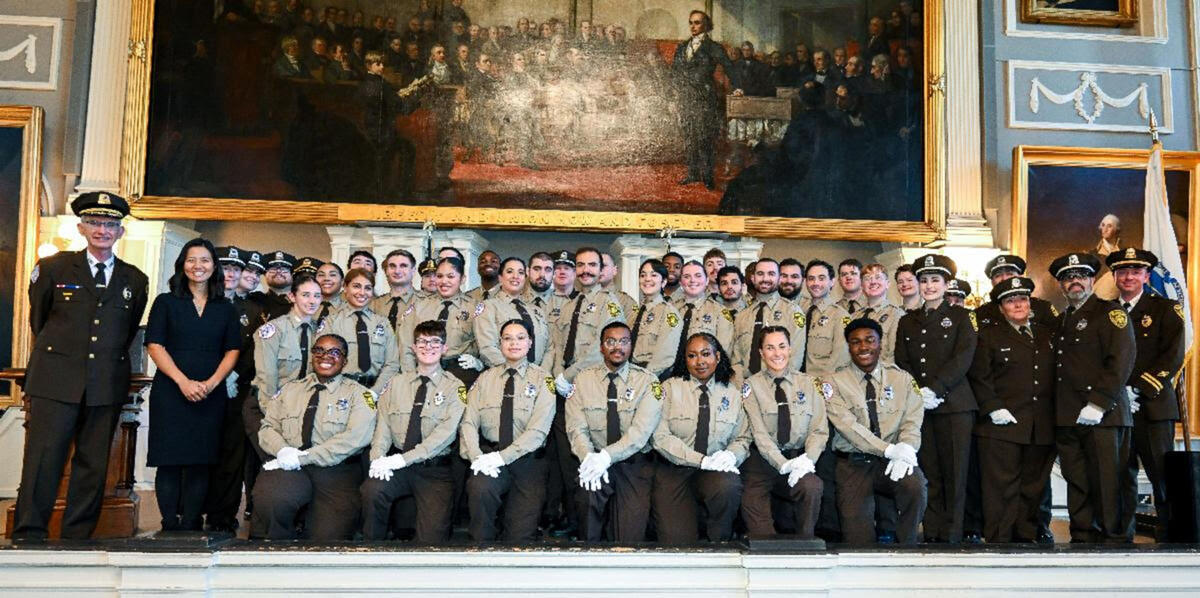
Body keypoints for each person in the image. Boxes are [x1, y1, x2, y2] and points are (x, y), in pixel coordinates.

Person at [13, 192, 149, 541]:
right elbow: (39, 318)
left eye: (109, 224)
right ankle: (29, 533)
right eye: (95, 223)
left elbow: (127, 329)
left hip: (104, 382)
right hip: (55, 380)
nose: (102, 230)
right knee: (43, 460)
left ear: (120, 232)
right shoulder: (55, 267)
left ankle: (77, 536)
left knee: (92, 465)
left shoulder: (134, 279)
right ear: (81, 227)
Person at [144, 238, 241, 531]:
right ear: (182, 265)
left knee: (202, 460)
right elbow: (155, 345)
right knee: (169, 459)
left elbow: (232, 350)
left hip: (211, 394)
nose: (198, 266)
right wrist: (183, 382)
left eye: (205, 260)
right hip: (172, 391)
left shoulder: (225, 307)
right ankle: (168, 523)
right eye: (191, 260)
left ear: (214, 267)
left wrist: (211, 384)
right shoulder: (166, 301)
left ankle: (191, 523)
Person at [252, 333, 378, 541]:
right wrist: (283, 451)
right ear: (312, 356)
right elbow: (267, 428)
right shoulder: (290, 390)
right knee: (272, 499)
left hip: (336, 472)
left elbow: (356, 438)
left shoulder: (360, 395)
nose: (325, 356)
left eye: (334, 352)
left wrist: (303, 457)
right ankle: (280, 545)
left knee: (327, 541)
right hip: (289, 467)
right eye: (319, 350)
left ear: (345, 361)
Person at [1049, 252, 1135, 543]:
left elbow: (1121, 361)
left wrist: (1098, 403)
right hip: (1069, 416)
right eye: (1068, 277)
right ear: (1061, 284)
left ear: (1092, 280)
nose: (1075, 282)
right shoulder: (1061, 320)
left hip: (1103, 415)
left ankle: (1112, 540)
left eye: (1081, 276)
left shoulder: (1110, 313)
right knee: (1078, 481)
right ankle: (1083, 537)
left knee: (1107, 483)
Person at [894, 254, 978, 543]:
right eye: (924, 280)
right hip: (921, 409)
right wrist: (919, 393)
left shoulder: (961, 317)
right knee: (928, 472)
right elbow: (901, 361)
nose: (929, 286)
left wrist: (936, 389)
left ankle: (953, 534)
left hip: (954, 406)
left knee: (955, 473)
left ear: (946, 284)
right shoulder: (908, 321)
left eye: (935, 280)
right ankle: (932, 531)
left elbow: (963, 357)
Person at [966, 276, 1056, 543]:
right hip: (1000, 427)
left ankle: (1026, 539)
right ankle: (999, 541)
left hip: (1039, 427)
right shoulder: (988, 335)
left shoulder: (1046, 333)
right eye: (1010, 300)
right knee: (1000, 490)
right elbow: (978, 376)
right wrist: (993, 407)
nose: (1018, 304)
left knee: (1033, 488)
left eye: (1022, 299)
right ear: (1001, 306)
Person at [362, 320, 467, 543]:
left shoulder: (454, 387)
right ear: (413, 347)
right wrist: (377, 460)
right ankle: (372, 551)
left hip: (434, 471)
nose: (428, 347)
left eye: (435, 342)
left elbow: (444, 435)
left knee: (432, 540)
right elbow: (383, 427)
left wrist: (402, 460)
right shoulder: (396, 384)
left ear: (445, 348)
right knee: (373, 490)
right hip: (397, 466)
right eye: (422, 341)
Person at [545, 247, 625, 536]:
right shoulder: (569, 305)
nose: (586, 270)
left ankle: (593, 525)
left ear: (603, 269)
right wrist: (557, 376)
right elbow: (556, 344)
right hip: (563, 388)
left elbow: (605, 348)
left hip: (589, 384)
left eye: (593, 264)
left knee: (587, 449)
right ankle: (574, 520)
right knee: (566, 458)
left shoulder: (610, 304)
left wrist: (568, 375)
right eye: (581, 265)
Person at [826, 318, 926, 545]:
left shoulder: (901, 379)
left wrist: (907, 449)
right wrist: (889, 450)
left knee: (915, 485)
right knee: (857, 540)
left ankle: (907, 545)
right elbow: (848, 427)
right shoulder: (834, 382)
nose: (863, 347)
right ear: (848, 347)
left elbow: (913, 420)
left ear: (881, 343)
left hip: (893, 462)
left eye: (870, 340)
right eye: (855, 342)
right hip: (854, 464)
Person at [1107, 248, 1184, 541]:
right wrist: (1117, 392)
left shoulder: (1165, 309)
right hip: (1116, 407)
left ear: (1146, 276)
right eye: (1122, 272)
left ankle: (1172, 534)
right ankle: (1122, 535)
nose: (1128, 277)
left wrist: (1139, 388)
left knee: (1161, 475)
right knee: (1120, 476)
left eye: (1135, 272)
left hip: (1152, 407)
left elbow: (1172, 355)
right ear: (1114, 276)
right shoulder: (1106, 310)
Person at [566, 322, 663, 541]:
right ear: (601, 347)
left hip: (633, 464)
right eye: (610, 341)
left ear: (631, 346)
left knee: (628, 538)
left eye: (624, 341)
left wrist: (607, 457)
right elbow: (576, 427)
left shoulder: (648, 382)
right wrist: (589, 459)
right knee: (588, 499)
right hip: (594, 460)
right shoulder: (583, 380)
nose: (617, 347)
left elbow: (640, 433)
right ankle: (588, 559)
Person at [460, 319, 556, 541]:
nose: (514, 343)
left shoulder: (543, 380)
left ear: (530, 343)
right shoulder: (484, 379)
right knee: (480, 488)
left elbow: (538, 432)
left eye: (520, 338)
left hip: (528, 463)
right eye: (508, 338)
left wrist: (502, 458)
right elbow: (469, 422)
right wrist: (476, 457)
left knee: (519, 538)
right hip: (489, 457)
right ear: (500, 343)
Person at [652, 333, 750, 543]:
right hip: (674, 471)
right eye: (692, 356)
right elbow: (660, 436)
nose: (700, 362)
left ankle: (720, 541)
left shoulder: (732, 394)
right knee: (677, 544)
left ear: (718, 357)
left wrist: (731, 457)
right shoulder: (669, 389)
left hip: (715, 470)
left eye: (706, 354)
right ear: (684, 360)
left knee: (728, 485)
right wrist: (701, 461)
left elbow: (742, 438)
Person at [739, 326, 826, 538]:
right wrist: (783, 464)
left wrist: (807, 461)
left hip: (800, 457)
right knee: (763, 539)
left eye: (781, 346)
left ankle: (806, 542)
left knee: (812, 487)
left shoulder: (809, 383)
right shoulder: (750, 386)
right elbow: (759, 434)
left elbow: (819, 430)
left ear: (790, 349)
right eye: (770, 348)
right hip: (762, 464)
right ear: (761, 352)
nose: (777, 353)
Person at [205, 246, 265, 532]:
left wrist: (233, 376)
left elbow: (254, 351)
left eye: (236, 269)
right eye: (225, 268)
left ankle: (223, 518)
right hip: (201, 390)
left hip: (235, 392)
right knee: (202, 455)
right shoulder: (200, 302)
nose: (230, 274)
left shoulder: (251, 311)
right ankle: (191, 513)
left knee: (231, 458)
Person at [672, 10, 738, 189]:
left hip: (704, 98)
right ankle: (693, 173)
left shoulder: (714, 47)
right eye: (691, 23)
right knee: (689, 137)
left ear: (706, 25)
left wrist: (739, 87)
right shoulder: (682, 47)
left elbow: (729, 67)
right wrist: (673, 96)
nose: (693, 26)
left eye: (697, 23)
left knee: (705, 137)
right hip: (686, 98)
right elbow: (674, 73)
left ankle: (708, 176)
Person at [397, 257, 481, 387]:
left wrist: (479, 363)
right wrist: (410, 376)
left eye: (450, 276)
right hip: (423, 369)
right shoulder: (419, 307)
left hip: (461, 373)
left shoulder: (474, 308)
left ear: (462, 279)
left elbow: (484, 342)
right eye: (439, 276)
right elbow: (406, 344)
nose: (444, 281)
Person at [319, 268, 399, 394]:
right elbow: (322, 360)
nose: (362, 292)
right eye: (356, 286)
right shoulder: (331, 322)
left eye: (367, 288)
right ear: (345, 288)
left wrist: (373, 393)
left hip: (375, 391)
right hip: (339, 391)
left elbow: (392, 364)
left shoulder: (383, 323)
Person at [730, 259, 807, 378]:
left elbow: (795, 359)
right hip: (745, 387)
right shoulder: (742, 316)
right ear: (753, 278)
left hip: (778, 385)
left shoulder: (792, 312)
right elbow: (736, 360)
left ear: (779, 279)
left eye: (771, 274)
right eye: (760, 274)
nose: (765, 279)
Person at [475, 257, 550, 368]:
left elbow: (549, 347)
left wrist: (541, 373)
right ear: (500, 278)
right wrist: (515, 371)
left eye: (520, 272)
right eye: (510, 272)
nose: (515, 276)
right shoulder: (488, 306)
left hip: (538, 377)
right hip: (504, 375)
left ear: (525, 278)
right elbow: (487, 348)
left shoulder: (536, 311)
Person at [628, 259, 684, 380]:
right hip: (630, 373)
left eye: (653, 275)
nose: (647, 279)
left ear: (663, 282)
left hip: (652, 376)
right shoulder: (635, 313)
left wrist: (644, 379)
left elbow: (665, 357)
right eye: (643, 275)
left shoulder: (669, 313)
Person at [672, 261, 734, 365]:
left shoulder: (719, 312)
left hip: (705, 372)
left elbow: (724, 352)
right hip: (671, 372)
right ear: (680, 282)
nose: (692, 280)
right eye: (687, 276)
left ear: (707, 281)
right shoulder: (671, 310)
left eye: (698, 276)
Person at [798, 260, 852, 377]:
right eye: (811, 279)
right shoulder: (800, 312)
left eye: (821, 278)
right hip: (798, 382)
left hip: (823, 383)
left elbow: (840, 361)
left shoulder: (840, 316)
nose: (815, 283)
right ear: (806, 282)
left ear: (832, 282)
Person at [975, 255, 1059, 329]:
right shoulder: (981, 313)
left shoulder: (1043, 307)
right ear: (992, 281)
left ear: (1019, 277)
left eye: (1010, 273)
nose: (1004, 278)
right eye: (998, 276)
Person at [858, 263, 906, 364]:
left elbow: (895, 356)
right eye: (867, 278)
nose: (873, 282)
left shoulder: (897, 315)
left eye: (878, 277)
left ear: (888, 284)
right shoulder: (854, 317)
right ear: (862, 286)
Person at [370, 249, 419, 330]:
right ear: (386, 271)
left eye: (403, 266)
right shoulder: (373, 305)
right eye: (392, 266)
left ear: (413, 270)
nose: (397, 271)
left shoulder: (426, 304)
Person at [250, 251, 296, 321]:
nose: (278, 272)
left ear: (292, 274)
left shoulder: (300, 303)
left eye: (284, 269)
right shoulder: (254, 300)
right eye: (273, 269)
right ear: (265, 274)